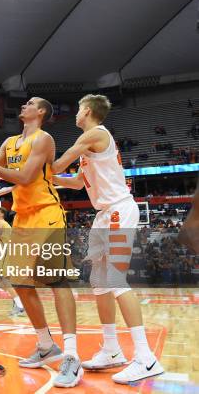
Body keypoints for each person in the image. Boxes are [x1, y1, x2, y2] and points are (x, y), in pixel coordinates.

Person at [52, 94, 164, 384]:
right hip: (104, 215)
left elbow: (60, 163)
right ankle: (112, 350)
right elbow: (76, 182)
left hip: (118, 211)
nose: (75, 113)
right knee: (99, 283)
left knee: (115, 280)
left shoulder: (94, 134)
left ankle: (146, 358)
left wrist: (35, 170)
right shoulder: (90, 145)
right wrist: (48, 180)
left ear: (87, 110)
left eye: (78, 108)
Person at [0, 97, 81, 388]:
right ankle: (46, 345)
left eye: (30, 103)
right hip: (23, 218)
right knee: (20, 282)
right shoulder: (9, 142)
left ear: (41, 111)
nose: (24, 105)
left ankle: (72, 356)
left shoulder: (44, 139)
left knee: (57, 282)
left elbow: (25, 176)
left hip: (47, 213)